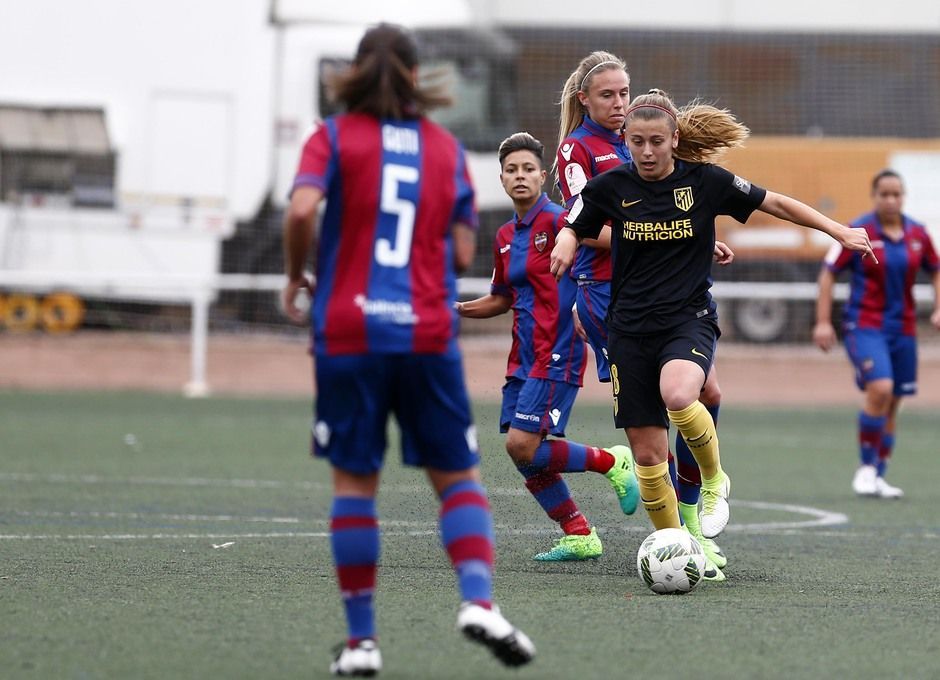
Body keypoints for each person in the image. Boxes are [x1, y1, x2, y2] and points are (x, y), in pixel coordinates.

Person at [281, 24, 534, 677]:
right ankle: (478, 599)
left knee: (355, 488)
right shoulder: (444, 148)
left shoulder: (332, 136)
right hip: (425, 332)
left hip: (350, 331)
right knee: (456, 481)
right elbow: (459, 250)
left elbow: (302, 210)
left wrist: (296, 274)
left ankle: (362, 644)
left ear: (355, 72)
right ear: (419, 76)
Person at [550, 88, 876, 542]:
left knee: (681, 395)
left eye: (656, 142)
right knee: (647, 457)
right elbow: (574, 223)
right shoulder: (609, 188)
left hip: (687, 318)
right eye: (637, 141)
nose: (646, 151)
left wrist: (837, 229)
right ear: (625, 139)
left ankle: (713, 480)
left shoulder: (705, 182)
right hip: (627, 328)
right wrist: (567, 240)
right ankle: (677, 545)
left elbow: (775, 202)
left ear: (674, 139)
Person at [554, 53, 729, 571]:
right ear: (584, 99)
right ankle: (687, 533)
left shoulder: (637, 141)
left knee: (706, 393)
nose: (619, 103)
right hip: (613, 295)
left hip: (671, 293)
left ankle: (698, 504)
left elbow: (668, 210)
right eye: (607, 95)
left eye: (624, 92)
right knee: (655, 420)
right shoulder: (578, 151)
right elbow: (585, 225)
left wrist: (692, 240)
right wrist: (670, 239)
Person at [456, 131, 641, 562]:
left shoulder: (564, 222)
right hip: (522, 354)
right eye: (511, 170)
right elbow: (502, 297)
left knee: (522, 444)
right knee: (524, 453)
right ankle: (579, 534)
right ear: (501, 179)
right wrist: (457, 309)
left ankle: (612, 462)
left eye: (527, 169)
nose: (520, 177)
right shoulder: (505, 235)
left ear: (543, 176)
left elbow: (613, 247)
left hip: (558, 347)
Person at [813, 169, 940, 498]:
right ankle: (866, 469)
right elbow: (828, 275)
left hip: (904, 329)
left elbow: (936, 270)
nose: (891, 199)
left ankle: (880, 474)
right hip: (865, 324)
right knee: (880, 388)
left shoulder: (918, 234)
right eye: (884, 194)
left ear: (903, 197)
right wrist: (823, 321)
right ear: (875, 196)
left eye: (896, 194)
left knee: (894, 401)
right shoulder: (860, 231)